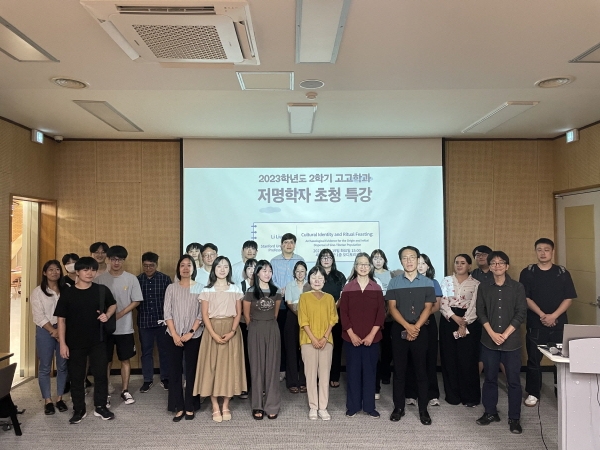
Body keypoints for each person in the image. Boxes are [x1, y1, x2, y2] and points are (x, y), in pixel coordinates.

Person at [55, 257, 116, 424]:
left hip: (98, 341)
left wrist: (107, 315)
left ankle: (100, 406)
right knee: (76, 377)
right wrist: (62, 344)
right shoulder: (68, 293)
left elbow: (113, 304)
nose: (90, 273)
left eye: (93, 269)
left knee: (101, 375)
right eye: (85, 269)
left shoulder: (101, 290)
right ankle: (79, 409)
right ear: (77, 272)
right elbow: (61, 319)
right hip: (74, 343)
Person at [519, 238, 576, 408]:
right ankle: (533, 393)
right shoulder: (528, 272)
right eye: (539, 249)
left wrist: (554, 316)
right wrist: (543, 315)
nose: (543, 253)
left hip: (559, 324)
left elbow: (569, 298)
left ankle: (561, 392)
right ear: (535, 252)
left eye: (546, 250)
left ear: (552, 252)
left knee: (561, 361)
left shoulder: (562, 272)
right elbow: (525, 297)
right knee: (534, 360)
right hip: (536, 323)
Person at [476, 251, 527, 434]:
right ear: (489, 267)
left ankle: (514, 418)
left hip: (511, 342)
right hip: (489, 341)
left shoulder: (517, 287)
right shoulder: (483, 287)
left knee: (513, 381)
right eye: (493, 263)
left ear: (507, 266)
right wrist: (492, 333)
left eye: (500, 262)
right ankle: (490, 412)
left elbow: (521, 313)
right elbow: (480, 312)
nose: (497, 266)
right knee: (490, 378)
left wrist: (504, 334)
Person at [193, 256, 246, 422]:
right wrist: (213, 334)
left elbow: (238, 313)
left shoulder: (235, 289)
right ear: (214, 269)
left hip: (231, 330)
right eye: (219, 266)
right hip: (212, 330)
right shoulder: (207, 290)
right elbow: (204, 315)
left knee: (230, 367)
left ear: (229, 269)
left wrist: (232, 331)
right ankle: (215, 405)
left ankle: (226, 405)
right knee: (212, 368)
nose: (222, 269)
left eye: (225, 266)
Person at [387, 246, 435, 425]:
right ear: (401, 261)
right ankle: (398, 408)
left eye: (412, 257)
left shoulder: (428, 282)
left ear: (417, 259)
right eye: (405, 258)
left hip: (420, 330)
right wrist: (408, 327)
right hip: (399, 329)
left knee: (421, 371)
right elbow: (392, 308)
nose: (409, 261)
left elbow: (428, 308)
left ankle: (423, 409)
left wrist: (416, 327)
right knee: (399, 371)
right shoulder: (394, 282)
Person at [96, 245, 143, 406]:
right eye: (114, 259)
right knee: (105, 361)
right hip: (105, 328)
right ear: (108, 260)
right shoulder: (100, 279)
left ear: (124, 260)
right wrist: (107, 316)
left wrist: (120, 314)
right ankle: (105, 393)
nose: (116, 262)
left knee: (125, 359)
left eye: (120, 259)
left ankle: (125, 390)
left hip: (125, 327)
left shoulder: (131, 279)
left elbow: (136, 300)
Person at [340, 253, 385, 418]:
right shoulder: (348, 287)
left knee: (370, 373)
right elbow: (343, 313)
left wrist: (372, 335)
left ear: (370, 267)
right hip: (351, 338)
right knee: (353, 373)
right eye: (360, 264)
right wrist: (351, 334)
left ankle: (369, 407)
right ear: (355, 266)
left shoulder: (376, 287)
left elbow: (381, 314)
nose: (363, 267)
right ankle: (353, 406)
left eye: (366, 264)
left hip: (372, 339)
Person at [164, 255, 203, 421]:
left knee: (192, 371)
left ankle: (190, 405)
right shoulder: (171, 288)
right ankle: (178, 406)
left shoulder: (200, 288)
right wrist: (174, 334)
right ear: (178, 269)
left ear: (194, 268)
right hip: (173, 335)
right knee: (174, 372)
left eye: (189, 265)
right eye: (182, 265)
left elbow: (201, 314)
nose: (186, 268)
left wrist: (191, 332)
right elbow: (167, 312)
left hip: (193, 335)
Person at [439, 254, 481, 407]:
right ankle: (453, 396)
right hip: (449, 320)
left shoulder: (476, 283)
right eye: (457, 262)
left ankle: (470, 397)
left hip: (469, 321)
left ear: (469, 265)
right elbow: (442, 302)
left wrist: (464, 323)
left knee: (467, 360)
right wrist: (454, 318)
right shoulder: (446, 281)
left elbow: (476, 305)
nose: (459, 265)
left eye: (463, 263)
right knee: (449, 358)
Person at [298, 265, 338, 421]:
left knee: (324, 375)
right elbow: (303, 320)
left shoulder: (329, 298)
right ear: (309, 279)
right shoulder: (304, 297)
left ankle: (323, 407)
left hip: (326, 341)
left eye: (320, 278)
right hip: (308, 341)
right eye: (314, 277)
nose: (317, 280)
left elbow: (333, 319)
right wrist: (314, 339)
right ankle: (313, 407)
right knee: (310, 375)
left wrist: (325, 337)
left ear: (324, 280)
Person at [243, 260, 282, 420]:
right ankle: (257, 405)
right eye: (264, 270)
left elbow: (275, 314)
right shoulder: (250, 292)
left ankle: (272, 405)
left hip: (272, 329)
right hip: (255, 330)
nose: (267, 274)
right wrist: (255, 327)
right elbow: (246, 316)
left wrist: (267, 324)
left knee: (272, 368)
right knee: (256, 368)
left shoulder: (276, 291)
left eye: (270, 271)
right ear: (257, 272)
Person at [31, 260, 68, 415]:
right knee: (45, 366)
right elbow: (38, 315)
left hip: (64, 329)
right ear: (45, 273)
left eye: (57, 269)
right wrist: (54, 331)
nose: (54, 272)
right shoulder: (37, 292)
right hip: (45, 330)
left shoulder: (67, 289)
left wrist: (61, 332)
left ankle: (60, 398)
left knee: (62, 365)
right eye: (51, 270)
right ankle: (48, 401)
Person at [405, 253, 441, 407]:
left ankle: (432, 394)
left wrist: (423, 316)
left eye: (423, 263)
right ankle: (411, 394)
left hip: (428, 323)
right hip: (411, 323)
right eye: (417, 262)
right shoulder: (407, 282)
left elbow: (437, 305)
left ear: (428, 266)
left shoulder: (434, 283)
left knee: (429, 359)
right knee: (411, 359)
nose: (420, 266)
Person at [271, 233, 305, 382]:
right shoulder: (274, 261)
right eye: (286, 242)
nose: (289, 245)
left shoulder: (300, 260)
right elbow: (271, 280)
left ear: (295, 245)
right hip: (281, 304)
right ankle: (282, 369)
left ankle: (296, 370)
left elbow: (303, 279)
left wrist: (291, 289)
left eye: (291, 242)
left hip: (297, 305)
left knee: (297, 339)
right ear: (281, 245)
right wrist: (281, 290)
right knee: (282, 339)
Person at [137, 252, 172, 393]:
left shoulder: (165, 279)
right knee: (146, 352)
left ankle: (165, 378)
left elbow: (170, 301)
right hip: (144, 322)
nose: (148, 268)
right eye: (145, 266)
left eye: (151, 265)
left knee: (164, 351)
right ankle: (147, 380)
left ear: (156, 265)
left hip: (162, 322)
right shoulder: (137, 280)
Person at [316, 249, 347, 388]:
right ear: (319, 259)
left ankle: (334, 376)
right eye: (323, 257)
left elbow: (343, 296)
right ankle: (321, 377)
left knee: (336, 346)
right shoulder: (316, 274)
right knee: (320, 345)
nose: (326, 259)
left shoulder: (339, 276)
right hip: (319, 316)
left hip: (336, 315)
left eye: (329, 257)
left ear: (333, 260)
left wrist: (334, 307)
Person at [371, 249, 393, 398]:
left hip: (389, 316)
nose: (378, 261)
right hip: (373, 317)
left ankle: (386, 373)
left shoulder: (391, 275)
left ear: (384, 260)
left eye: (380, 258)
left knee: (387, 347)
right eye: (375, 258)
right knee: (375, 349)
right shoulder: (368, 274)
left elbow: (392, 297)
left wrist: (386, 314)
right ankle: (376, 376)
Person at [284, 261, 307, 394]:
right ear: (294, 273)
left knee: (305, 350)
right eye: (297, 271)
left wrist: (304, 317)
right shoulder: (289, 285)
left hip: (308, 321)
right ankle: (292, 382)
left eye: (302, 271)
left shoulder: (309, 285)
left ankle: (304, 381)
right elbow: (289, 303)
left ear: (306, 272)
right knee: (291, 351)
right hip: (292, 319)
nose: (300, 273)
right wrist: (300, 315)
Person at [238, 258, 258, 399]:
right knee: (245, 355)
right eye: (249, 268)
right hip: (243, 324)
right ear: (245, 271)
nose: (252, 271)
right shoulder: (239, 286)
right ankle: (245, 386)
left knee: (257, 356)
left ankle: (258, 386)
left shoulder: (262, 286)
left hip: (259, 325)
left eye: (254, 268)